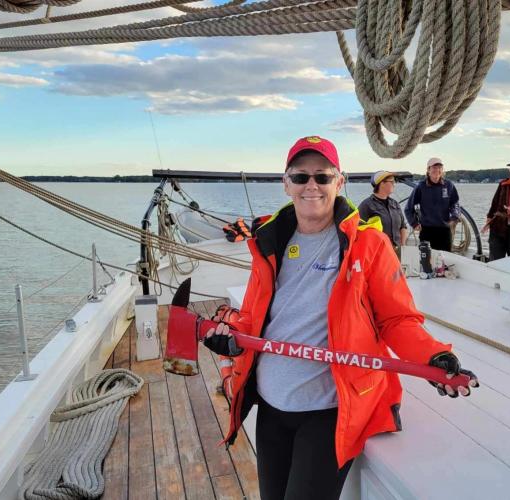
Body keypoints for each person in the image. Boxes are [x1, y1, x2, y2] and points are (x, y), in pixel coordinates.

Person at [200, 136, 476, 500]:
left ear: (339, 182)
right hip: (271, 407)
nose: (311, 185)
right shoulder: (269, 240)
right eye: (301, 177)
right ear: (286, 184)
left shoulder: (368, 244)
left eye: (323, 177)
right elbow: (254, 315)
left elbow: (397, 319)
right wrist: (231, 334)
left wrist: (433, 355)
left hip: (328, 411)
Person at [404, 157, 460, 252]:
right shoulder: (421, 187)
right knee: (427, 258)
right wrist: (414, 223)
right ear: (428, 170)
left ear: (442, 170)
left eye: (439, 167)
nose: (437, 170)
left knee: (444, 259)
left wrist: (454, 216)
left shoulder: (449, 185)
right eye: (434, 167)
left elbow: (455, 204)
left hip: (444, 230)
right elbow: (408, 208)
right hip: (427, 230)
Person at [358, 170, 408, 255]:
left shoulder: (395, 204)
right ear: (382, 184)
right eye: (392, 181)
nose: (394, 184)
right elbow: (359, 230)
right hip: (378, 253)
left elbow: (403, 226)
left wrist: (402, 246)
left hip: (396, 252)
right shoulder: (366, 205)